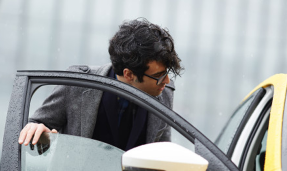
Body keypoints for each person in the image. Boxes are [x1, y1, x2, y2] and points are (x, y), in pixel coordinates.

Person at [18, 18, 183, 151]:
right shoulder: (78, 83)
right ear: (129, 74)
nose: (167, 81)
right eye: (159, 76)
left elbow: (162, 152)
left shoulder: (165, 93)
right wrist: (42, 134)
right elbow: (35, 125)